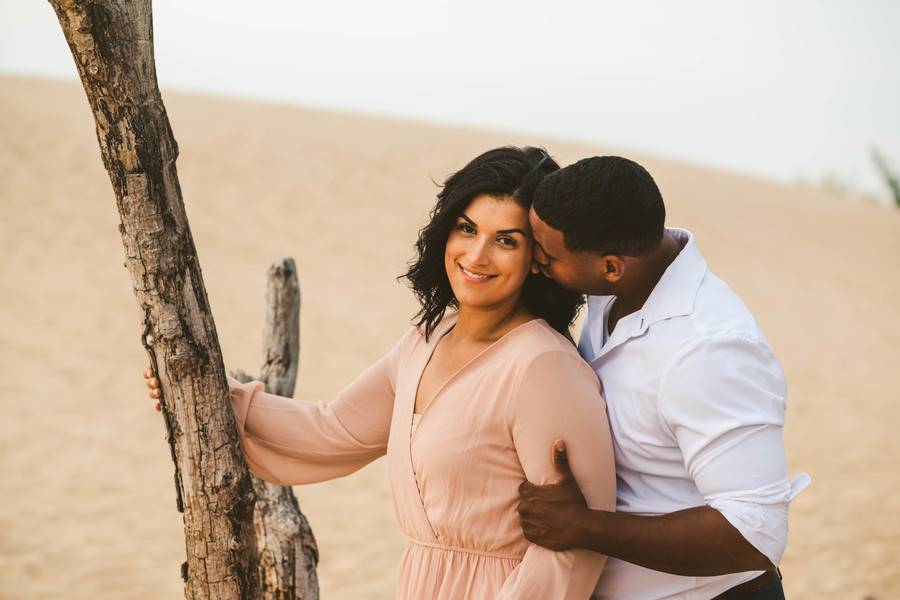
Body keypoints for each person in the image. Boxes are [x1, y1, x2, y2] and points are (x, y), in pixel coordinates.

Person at [144, 146, 617, 599]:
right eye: (467, 228)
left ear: (538, 258)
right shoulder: (427, 339)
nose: (476, 256)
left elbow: (576, 550)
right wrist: (207, 397)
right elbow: (332, 430)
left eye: (506, 241)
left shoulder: (544, 367)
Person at [516, 155, 810, 599]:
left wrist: (585, 527)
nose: (535, 262)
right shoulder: (615, 281)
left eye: (548, 254)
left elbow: (755, 533)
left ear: (611, 266)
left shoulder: (709, 349)